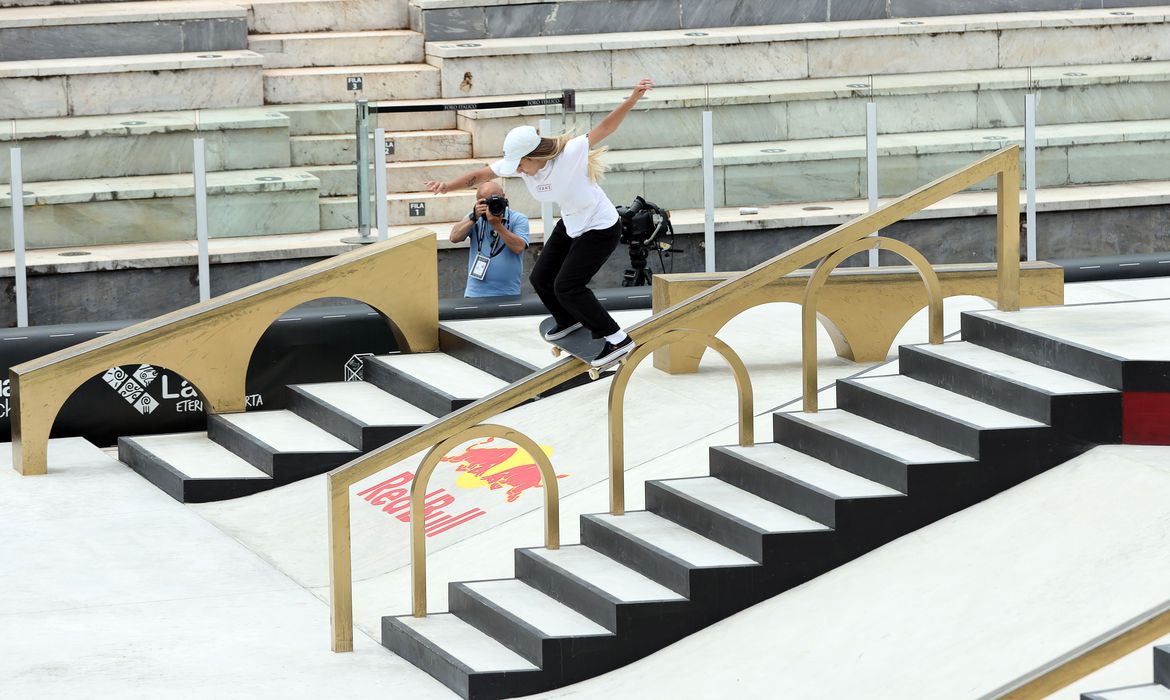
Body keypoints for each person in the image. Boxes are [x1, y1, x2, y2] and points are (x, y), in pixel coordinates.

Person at [426, 78, 654, 368]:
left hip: (600, 227)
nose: (519, 171)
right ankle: (569, 321)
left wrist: (632, 98)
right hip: (572, 222)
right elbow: (479, 175)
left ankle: (617, 338)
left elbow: (606, 127)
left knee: (568, 286)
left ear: (535, 156)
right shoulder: (523, 167)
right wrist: (447, 186)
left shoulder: (570, 153)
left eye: (522, 164)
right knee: (541, 278)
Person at [448, 181, 530, 297]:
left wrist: (498, 226)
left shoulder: (518, 219)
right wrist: (473, 218)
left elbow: (519, 248)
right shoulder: (474, 217)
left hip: (508, 293)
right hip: (475, 293)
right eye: (486, 202)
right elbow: (454, 237)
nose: (492, 206)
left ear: (504, 198)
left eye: (495, 200)